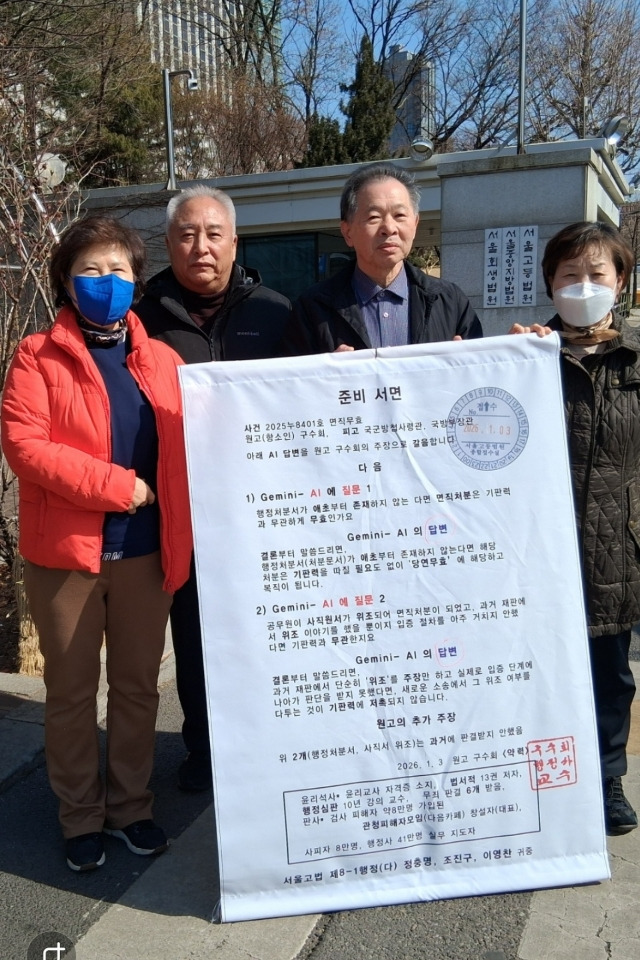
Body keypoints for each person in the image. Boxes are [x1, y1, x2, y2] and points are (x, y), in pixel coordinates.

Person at [1, 217, 193, 871]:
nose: (105, 282)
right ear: (65, 279)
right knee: (72, 692)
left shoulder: (163, 361)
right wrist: (119, 488)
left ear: (137, 281)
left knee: (138, 688)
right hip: (66, 558)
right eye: (90, 270)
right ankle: (80, 816)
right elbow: (26, 447)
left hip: (146, 553)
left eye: (118, 270)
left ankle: (131, 807)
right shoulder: (36, 355)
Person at [136, 185, 292, 792]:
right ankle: (204, 749)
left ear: (234, 241)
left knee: (268, 630)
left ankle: (271, 747)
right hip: (182, 506)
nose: (201, 246)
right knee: (196, 635)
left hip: (266, 506)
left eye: (213, 233)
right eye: (187, 234)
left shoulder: (277, 312)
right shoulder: (140, 319)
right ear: (169, 243)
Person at [515, 221, 638, 835]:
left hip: (619, 547)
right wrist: (509, 362)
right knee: (541, 670)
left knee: (610, 674)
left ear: (621, 281)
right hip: (541, 549)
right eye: (570, 275)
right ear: (550, 284)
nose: (583, 286)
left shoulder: (637, 360)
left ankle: (608, 779)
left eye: (597, 274)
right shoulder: (525, 357)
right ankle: (547, 782)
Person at [283, 161, 482, 354]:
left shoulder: (449, 301)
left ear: (415, 224)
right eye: (374, 217)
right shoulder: (313, 308)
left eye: (399, 215)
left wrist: (482, 361)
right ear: (347, 232)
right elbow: (291, 375)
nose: (389, 228)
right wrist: (327, 372)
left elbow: (483, 369)